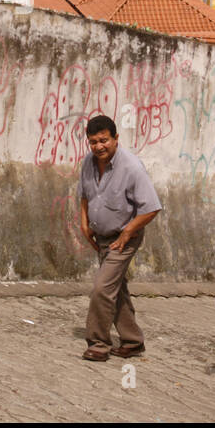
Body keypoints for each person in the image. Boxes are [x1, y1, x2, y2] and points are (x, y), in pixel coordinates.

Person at [78, 115, 162, 361]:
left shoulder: (132, 167)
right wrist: (84, 222)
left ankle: (98, 344)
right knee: (116, 289)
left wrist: (127, 232)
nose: (98, 146)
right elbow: (84, 194)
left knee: (102, 289)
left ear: (116, 139)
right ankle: (133, 341)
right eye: (93, 142)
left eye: (103, 140)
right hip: (101, 236)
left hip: (123, 238)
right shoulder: (88, 163)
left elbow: (151, 207)